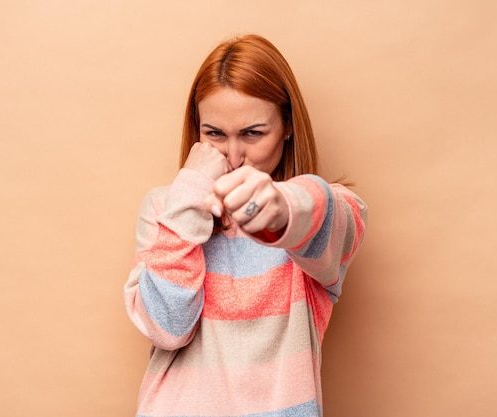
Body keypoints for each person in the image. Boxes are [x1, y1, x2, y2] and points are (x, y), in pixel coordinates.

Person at [124, 34, 367, 417]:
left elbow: (318, 205)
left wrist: (280, 210)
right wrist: (189, 195)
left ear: (288, 125)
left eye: (253, 133)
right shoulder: (165, 207)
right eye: (214, 134)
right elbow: (167, 329)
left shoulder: (330, 215)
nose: (234, 155)